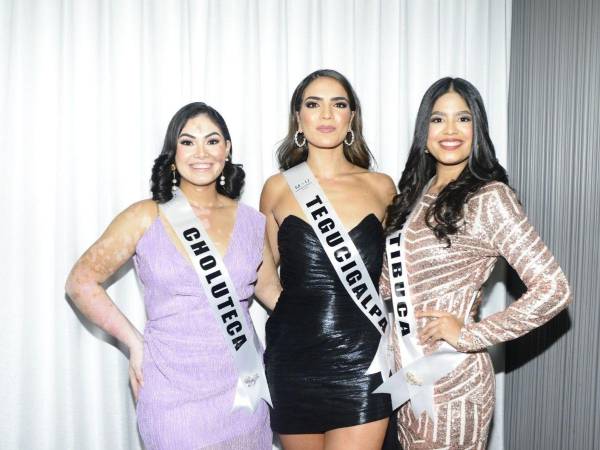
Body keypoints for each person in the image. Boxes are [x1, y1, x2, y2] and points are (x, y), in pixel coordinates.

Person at [65, 102, 280, 450]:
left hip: (244, 391)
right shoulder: (144, 216)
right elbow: (80, 282)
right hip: (171, 393)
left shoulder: (253, 223)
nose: (201, 152)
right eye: (187, 141)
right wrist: (135, 343)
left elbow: (272, 293)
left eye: (212, 141)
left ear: (227, 150)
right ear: (172, 152)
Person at [381, 77, 572, 449]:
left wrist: (469, 335)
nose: (450, 130)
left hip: (454, 379)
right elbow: (387, 285)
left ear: (477, 129)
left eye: (463, 119)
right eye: (438, 120)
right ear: (425, 130)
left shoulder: (489, 198)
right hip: (408, 376)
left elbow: (554, 289)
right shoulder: (413, 196)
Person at [260, 69, 397, 450]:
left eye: (338, 104)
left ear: (351, 118)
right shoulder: (277, 189)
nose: (326, 114)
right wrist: (304, 317)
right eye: (313, 104)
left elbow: (399, 275)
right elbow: (265, 277)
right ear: (298, 119)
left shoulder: (382, 187)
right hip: (293, 362)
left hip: (362, 364)